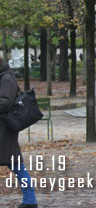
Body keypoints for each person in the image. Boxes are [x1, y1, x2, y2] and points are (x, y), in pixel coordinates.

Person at [0, 58, 38, 208]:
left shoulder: (6, 79)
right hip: (3, 130)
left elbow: (5, 102)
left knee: (16, 165)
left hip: (4, 131)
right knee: (16, 165)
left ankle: (30, 200)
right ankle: (30, 200)